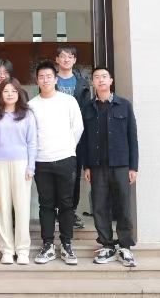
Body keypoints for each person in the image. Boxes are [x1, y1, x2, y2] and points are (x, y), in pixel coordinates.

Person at [81, 66, 139, 268]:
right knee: (99, 206)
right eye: (97, 77)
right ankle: (106, 245)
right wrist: (86, 166)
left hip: (121, 164)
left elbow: (132, 137)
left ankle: (125, 246)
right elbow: (84, 140)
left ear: (111, 80)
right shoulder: (88, 108)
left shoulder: (124, 105)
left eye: (104, 76)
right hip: (97, 166)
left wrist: (133, 167)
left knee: (123, 205)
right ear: (93, 82)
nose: (101, 80)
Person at [29, 60, 83, 265]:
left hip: (65, 158)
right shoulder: (31, 105)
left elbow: (77, 128)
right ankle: (48, 245)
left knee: (66, 204)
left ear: (56, 79)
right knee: (46, 204)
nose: (45, 80)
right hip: (41, 161)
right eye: (41, 77)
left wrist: (67, 148)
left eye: (49, 76)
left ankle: (67, 244)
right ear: (37, 80)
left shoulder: (68, 101)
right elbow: (30, 135)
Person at [0, 78, 37, 265]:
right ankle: (7, 250)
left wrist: (31, 167)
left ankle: (23, 250)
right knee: (2, 207)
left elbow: (32, 142)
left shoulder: (27, 114)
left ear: (19, 94)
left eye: (13, 91)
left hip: (21, 164)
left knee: (22, 207)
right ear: (0, 94)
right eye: (6, 91)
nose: (10, 94)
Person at [55, 46, 91, 230]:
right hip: (54, 134)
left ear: (75, 60)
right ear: (57, 59)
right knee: (55, 174)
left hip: (76, 135)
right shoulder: (51, 80)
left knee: (74, 175)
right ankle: (56, 210)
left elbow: (87, 110)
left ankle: (71, 211)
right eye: (63, 56)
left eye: (70, 57)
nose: (66, 60)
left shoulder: (82, 83)